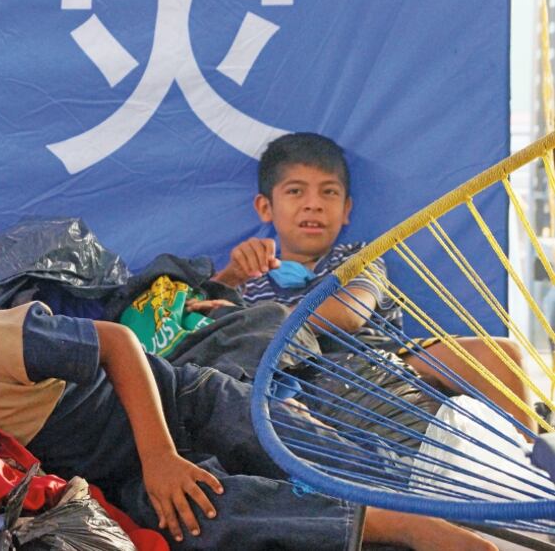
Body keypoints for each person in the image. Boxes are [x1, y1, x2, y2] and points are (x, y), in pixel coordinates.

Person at [0, 230, 494, 550]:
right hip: (110, 473)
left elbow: (119, 343)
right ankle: (384, 532)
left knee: (292, 447)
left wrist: (161, 455)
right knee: (209, 521)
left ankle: (438, 520)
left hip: (178, 405)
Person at [191, 132, 535, 433]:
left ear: (346, 210)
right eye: (295, 192)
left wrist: (264, 318)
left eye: (328, 193)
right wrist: (230, 278)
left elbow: (351, 313)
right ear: (266, 207)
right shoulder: (248, 275)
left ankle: (531, 464)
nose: (313, 205)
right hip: (289, 380)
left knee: (499, 354)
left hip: (381, 364)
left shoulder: (360, 257)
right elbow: (200, 323)